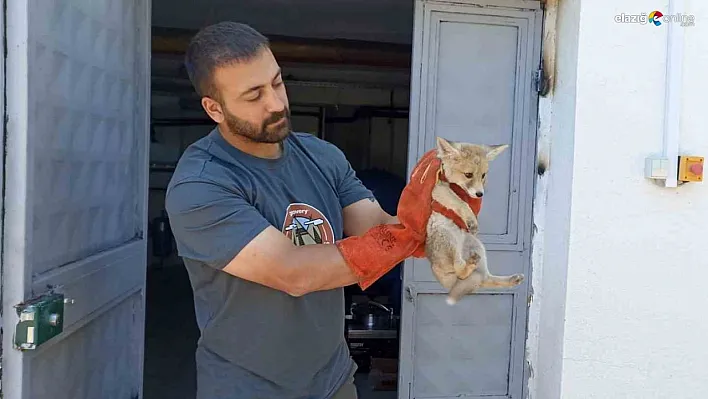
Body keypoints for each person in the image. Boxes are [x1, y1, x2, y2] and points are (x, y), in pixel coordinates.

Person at [165, 22, 424, 399]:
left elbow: (376, 226)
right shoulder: (201, 185)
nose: (276, 103)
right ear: (214, 109)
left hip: (333, 378)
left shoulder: (320, 154)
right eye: (254, 95)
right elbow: (294, 272)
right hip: (247, 386)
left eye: (277, 82)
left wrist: (437, 217)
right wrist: (406, 240)